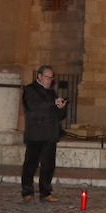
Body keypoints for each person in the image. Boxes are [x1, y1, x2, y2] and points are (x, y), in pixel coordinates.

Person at [21, 65, 67, 202]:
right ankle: (27, 192)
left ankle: (45, 192)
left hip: (50, 134)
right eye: (47, 77)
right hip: (36, 134)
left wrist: (61, 107)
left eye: (51, 78)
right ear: (39, 76)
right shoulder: (30, 90)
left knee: (48, 165)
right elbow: (35, 106)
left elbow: (58, 115)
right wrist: (53, 103)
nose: (49, 80)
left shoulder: (52, 92)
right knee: (31, 164)